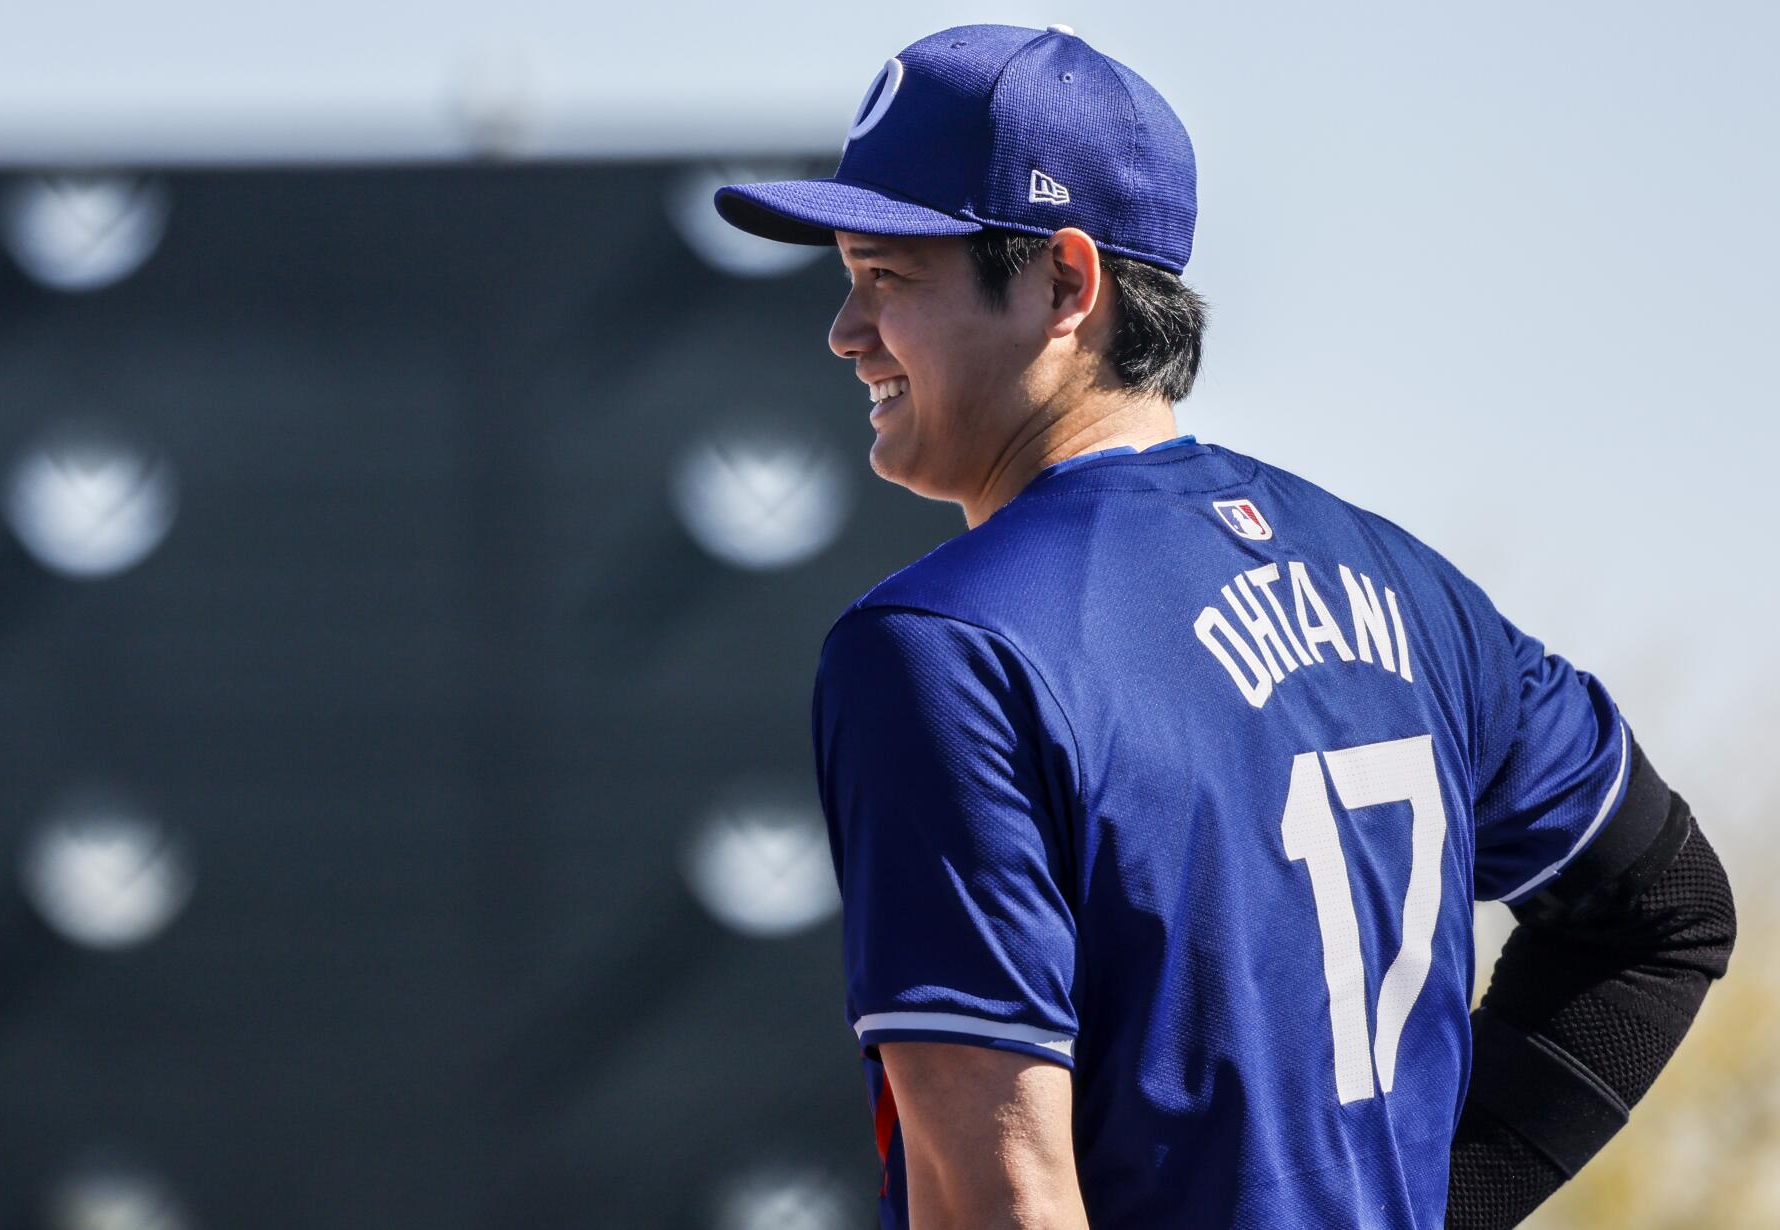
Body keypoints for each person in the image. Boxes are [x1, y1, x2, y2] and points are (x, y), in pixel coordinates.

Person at [713, 23, 1736, 1230]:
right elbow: (1667, 911)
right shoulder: (1410, 588)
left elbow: (999, 1202)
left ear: (1065, 282)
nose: (843, 328)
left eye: (889, 276)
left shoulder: (945, 648)